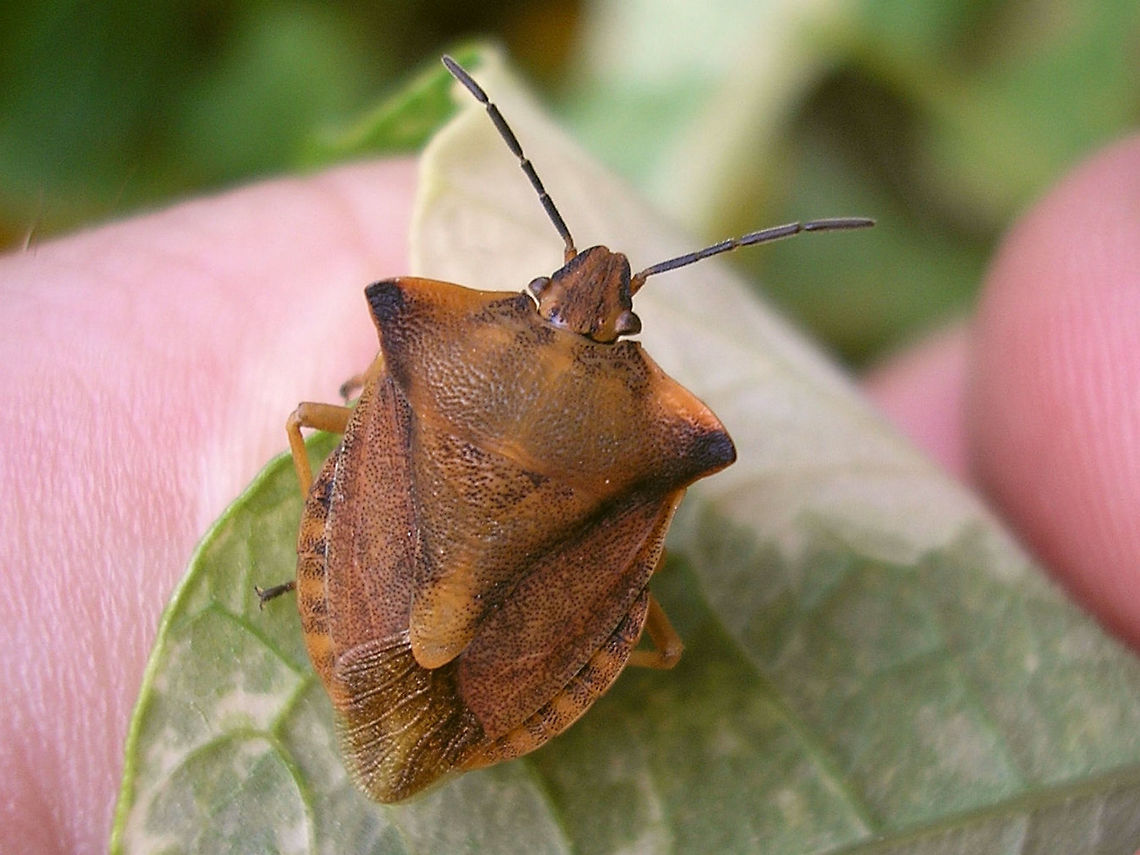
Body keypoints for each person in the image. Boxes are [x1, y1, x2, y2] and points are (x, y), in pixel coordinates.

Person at [2, 137, 1138, 854]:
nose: (589, 287)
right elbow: (641, 628)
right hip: (513, 651)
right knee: (664, 646)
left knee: (311, 421)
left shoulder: (433, 350)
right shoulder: (654, 444)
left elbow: (321, 427)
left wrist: (338, 513)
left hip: (368, 584)